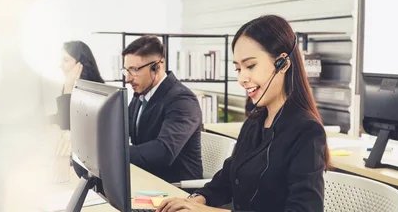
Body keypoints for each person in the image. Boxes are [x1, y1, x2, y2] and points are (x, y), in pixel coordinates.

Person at [157, 15, 330, 212]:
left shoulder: (306, 130)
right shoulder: (256, 120)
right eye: (238, 68)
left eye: (250, 66)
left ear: (283, 63)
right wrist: (198, 199)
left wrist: (206, 211)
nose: (242, 78)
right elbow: (229, 176)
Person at [122, 35, 203, 184]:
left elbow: (163, 151)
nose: (128, 78)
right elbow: (121, 128)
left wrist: (114, 153)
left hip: (176, 189)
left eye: (134, 70)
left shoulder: (182, 100)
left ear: (157, 67)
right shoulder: (140, 94)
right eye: (126, 70)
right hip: (147, 179)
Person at [49, 40, 105, 130]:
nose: (60, 65)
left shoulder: (91, 92)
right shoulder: (71, 85)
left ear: (80, 64)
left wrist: (68, 90)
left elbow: (66, 125)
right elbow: (61, 116)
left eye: (66, 60)